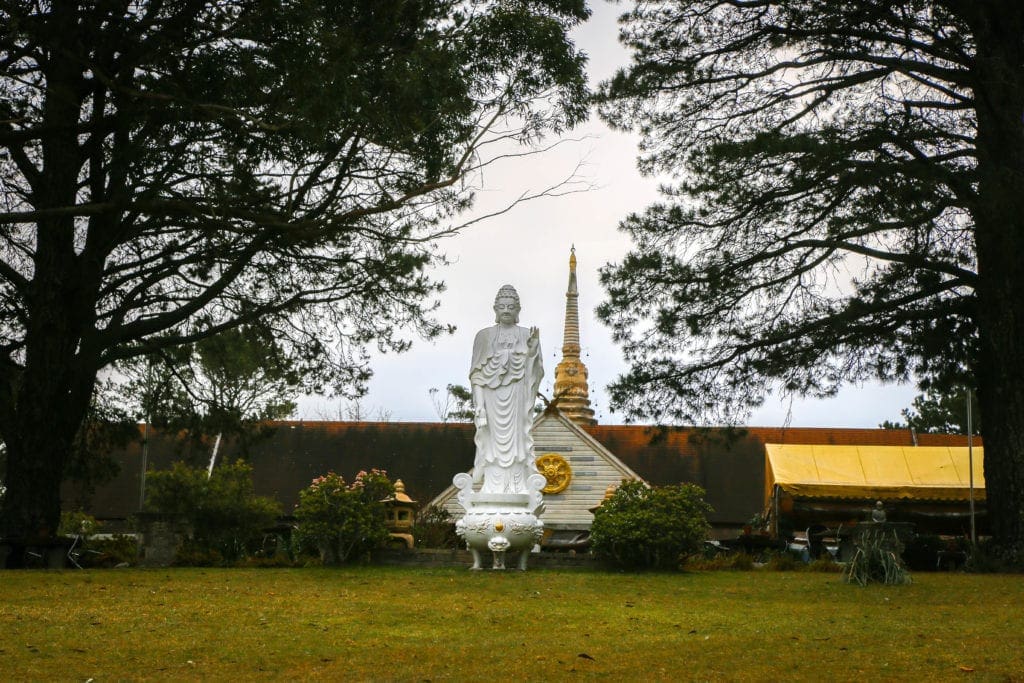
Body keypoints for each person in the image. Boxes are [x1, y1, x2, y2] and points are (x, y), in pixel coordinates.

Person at [469, 284, 543, 494]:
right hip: (491, 396)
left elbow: (535, 372)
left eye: (511, 307)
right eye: (502, 306)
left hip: (517, 394)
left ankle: (517, 484)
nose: (506, 310)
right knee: (492, 439)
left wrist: (532, 352)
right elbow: (477, 375)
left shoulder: (526, 334)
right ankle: (492, 485)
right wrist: (480, 407)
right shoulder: (484, 336)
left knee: (517, 439)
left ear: (518, 310)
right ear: (495, 309)